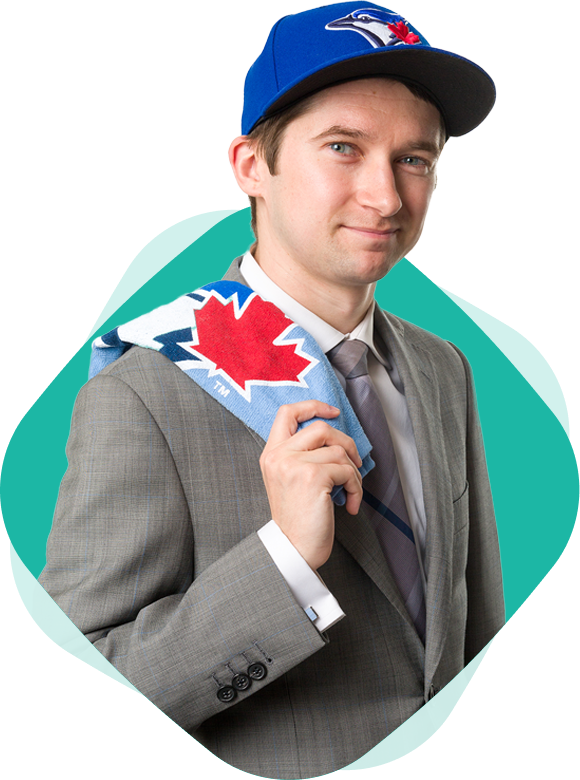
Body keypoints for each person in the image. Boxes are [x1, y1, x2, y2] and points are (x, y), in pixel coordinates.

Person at [39, 3, 504, 778]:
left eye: (414, 160)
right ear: (252, 164)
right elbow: (70, 692)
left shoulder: (442, 368)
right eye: (342, 148)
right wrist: (284, 559)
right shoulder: (144, 392)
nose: (386, 199)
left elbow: (473, 624)